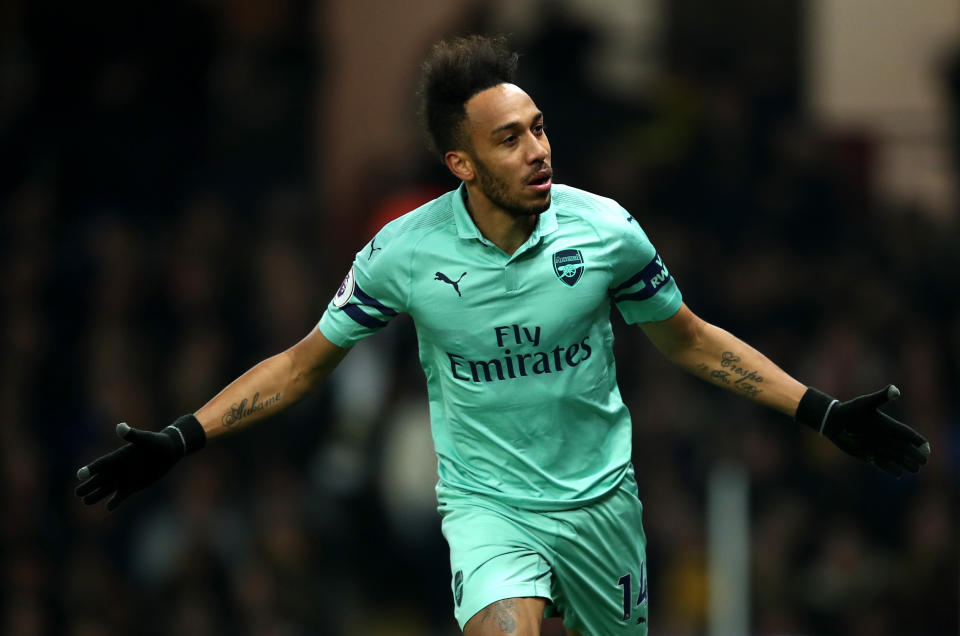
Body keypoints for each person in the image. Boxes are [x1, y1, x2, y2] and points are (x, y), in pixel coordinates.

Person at [76, 35, 931, 635]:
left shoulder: (605, 233)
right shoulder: (404, 253)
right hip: (489, 510)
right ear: (461, 163)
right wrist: (182, 436)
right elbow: (301, 366)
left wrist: (819, 412)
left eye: (539, 128)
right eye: (510, 139)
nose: (537, 151)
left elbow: (694, 341)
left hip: (602, 505)